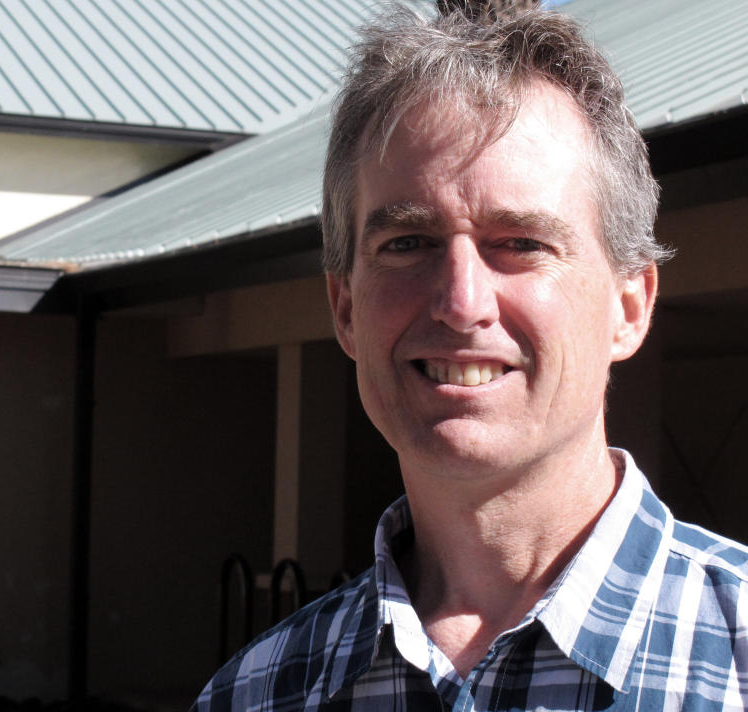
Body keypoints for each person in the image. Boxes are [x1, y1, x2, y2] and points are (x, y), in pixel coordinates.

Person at [192, 4, 748, 710]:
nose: (461, 301)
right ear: (345, 309)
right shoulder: (256, 695)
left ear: (629, 306)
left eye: (520, 243)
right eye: (407, 243)